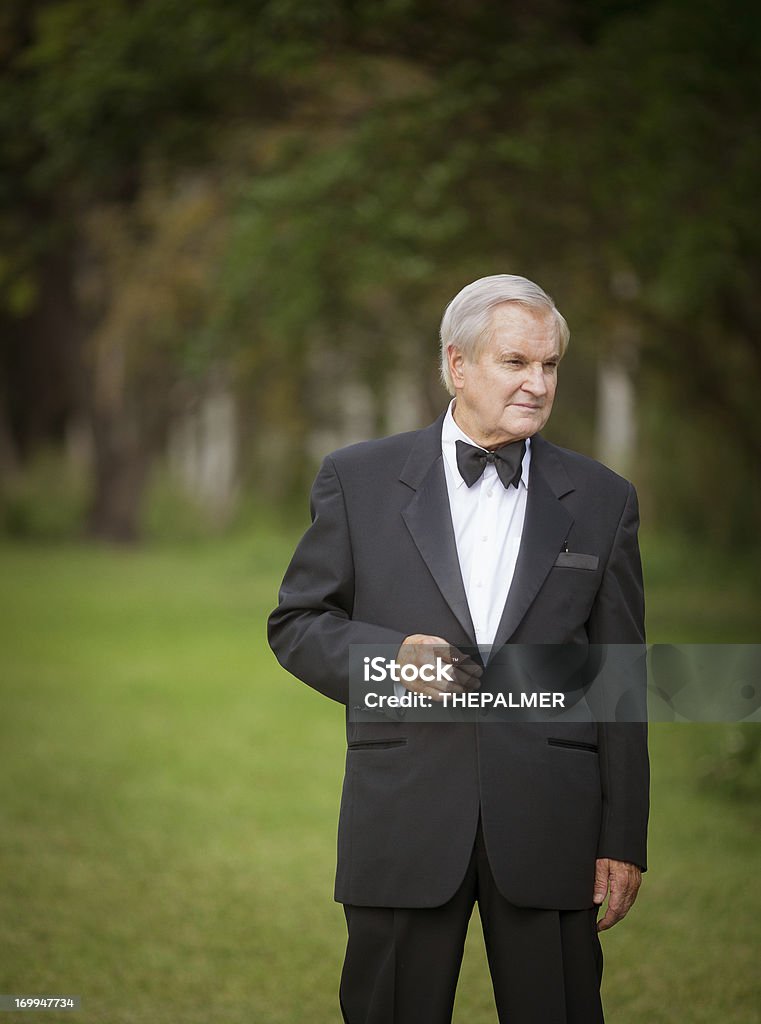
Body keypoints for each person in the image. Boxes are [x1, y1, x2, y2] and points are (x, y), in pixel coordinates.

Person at [267, 274, 649, 1024]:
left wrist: (622, 836)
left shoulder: (604, 499)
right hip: (403, 817)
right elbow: (297, 622)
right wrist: (387, 660)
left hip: (551, 823)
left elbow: (620, 679)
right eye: (515, 363)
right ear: (457, 364)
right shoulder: (358, 478)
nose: (537, 384)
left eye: (548, 366)